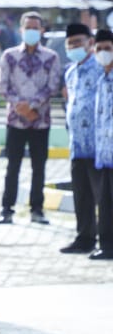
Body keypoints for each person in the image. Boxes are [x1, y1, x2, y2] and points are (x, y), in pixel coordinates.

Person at [0, 11, 63, 225]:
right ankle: (7, 209)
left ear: (42, 30)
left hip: (40, 120)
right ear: (21, 30)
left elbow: (53, 86)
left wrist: (32, 106)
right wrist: (21, 107)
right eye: (28, 27)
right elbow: (2, 86)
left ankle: (37, 209)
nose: (32, 31)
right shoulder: (9, 56)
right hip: (15, 120)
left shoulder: (51, 57)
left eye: (36, 27)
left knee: (39, 167)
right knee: (12, 165)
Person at [61, 23, 101, 254]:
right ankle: (84, 238)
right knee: (82, 195)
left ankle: (107, 239)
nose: (75, 47)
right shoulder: (70, 72)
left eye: (79, 42)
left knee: (103, 197)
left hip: (98, 145)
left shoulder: (101, 68)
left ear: (90, 43)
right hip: (77, 144)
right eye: (71, 44)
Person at [89, 29, 113, 260]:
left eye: (108, 48)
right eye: (99, 49)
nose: (103, 53)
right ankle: (106, 245)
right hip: (104, 153)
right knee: (104, 202)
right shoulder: (101, 79)